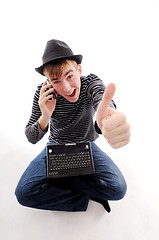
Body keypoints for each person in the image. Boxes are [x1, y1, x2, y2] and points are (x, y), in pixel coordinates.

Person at [15, 39, 130, 213]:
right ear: (48, 82)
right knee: (23, 193)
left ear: (79, 69)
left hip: (86, 145)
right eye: (56, 81)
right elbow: (31, 138)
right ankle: (82, 196)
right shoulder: (44, 94)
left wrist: (105, 116)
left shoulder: (90, 83)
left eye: (69, 76)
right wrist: (45, 115)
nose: (67, 88)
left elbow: (102, 99)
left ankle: (61, 180)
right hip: (56, 147)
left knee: (118, 188)